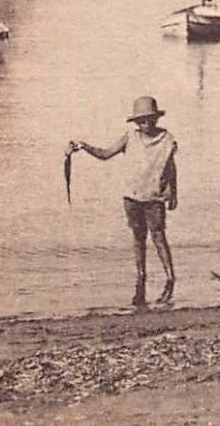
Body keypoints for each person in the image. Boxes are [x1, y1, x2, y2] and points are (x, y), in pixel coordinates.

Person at [68, 96, 178, 308]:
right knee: (138, 238)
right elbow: (105, 154)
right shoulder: (129, 137)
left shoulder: (167, 140)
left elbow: (171, 169)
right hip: (132, 197)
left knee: (159, 236)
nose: (146, 123)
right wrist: (83, 146)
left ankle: (170, 277)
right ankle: (141, 276)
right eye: (142, 120)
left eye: (149, 119)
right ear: (136, 122)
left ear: (156, 118)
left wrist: (174, 193)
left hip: (154, 197)